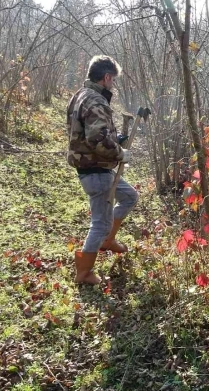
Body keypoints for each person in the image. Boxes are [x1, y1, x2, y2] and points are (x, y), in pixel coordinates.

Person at [66, 55, 139, 285]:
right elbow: (97, 139)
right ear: (106, 77)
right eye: (113, 80)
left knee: (129, 196)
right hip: (95, 170)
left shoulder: (81, 95)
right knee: (100, 223)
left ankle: (109, 240)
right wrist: (119, 153)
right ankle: (84, 273)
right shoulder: (95, 101)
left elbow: (93, 133)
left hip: (97, 168)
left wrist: (116, 138)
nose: (113, 84)